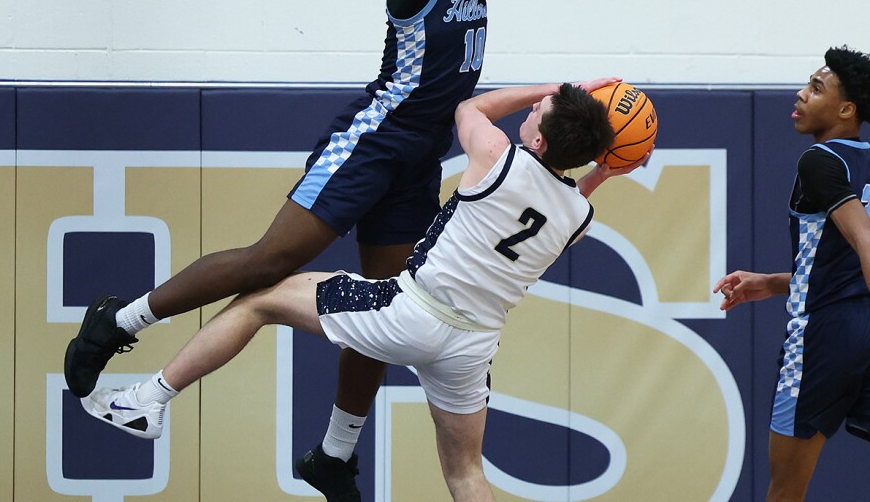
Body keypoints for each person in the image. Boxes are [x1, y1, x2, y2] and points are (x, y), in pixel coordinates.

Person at [63, 0, 582, 499]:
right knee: (275, 259)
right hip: (377, 135)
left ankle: (334, 456)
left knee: (384, 307)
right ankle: (120, 319)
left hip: (420, 156)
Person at [81, 80, 632, 502]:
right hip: (472, 350)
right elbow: (566, 195)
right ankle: (334, 453)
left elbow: (470, 108)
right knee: (466, 473)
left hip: (411, 312)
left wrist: (554, 86)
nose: (532, 110)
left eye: (538, 113)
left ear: (536, 137)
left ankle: (150, 399)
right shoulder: (579, 214)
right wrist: (606, 170)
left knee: (259, 300)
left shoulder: (498, 155)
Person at [713, 48, 870, 502]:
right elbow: (849, 262)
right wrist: (770, 282)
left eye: (816, 88)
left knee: (785, 491)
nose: (802, 94)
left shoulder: (819, 160)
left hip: (828, 334)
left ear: (846, 110)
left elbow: (865, 242)